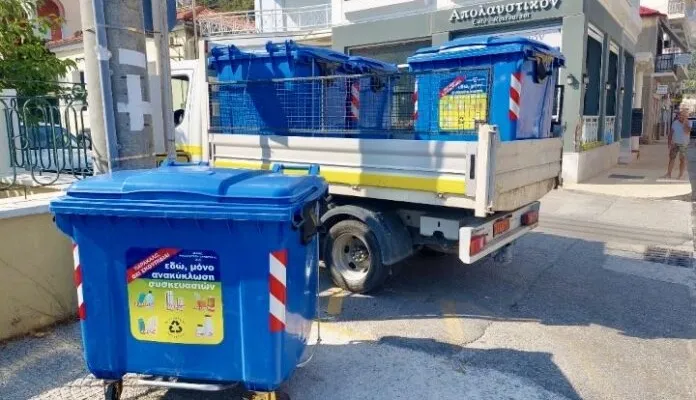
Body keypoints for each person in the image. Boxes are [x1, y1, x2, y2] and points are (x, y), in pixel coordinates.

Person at [663, 109, 690, 180]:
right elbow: (671, 133)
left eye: (683, 116)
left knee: (682, 159)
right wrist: (669, 143)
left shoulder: (688, 123)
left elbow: (687, 132)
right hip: (674, 143)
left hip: (683, 144)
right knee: (671, 158)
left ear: (686, 117)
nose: (681, 117)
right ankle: (668, 174)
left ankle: (680, 175)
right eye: (680, 115)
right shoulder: (675, 123)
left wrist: (685, 123)